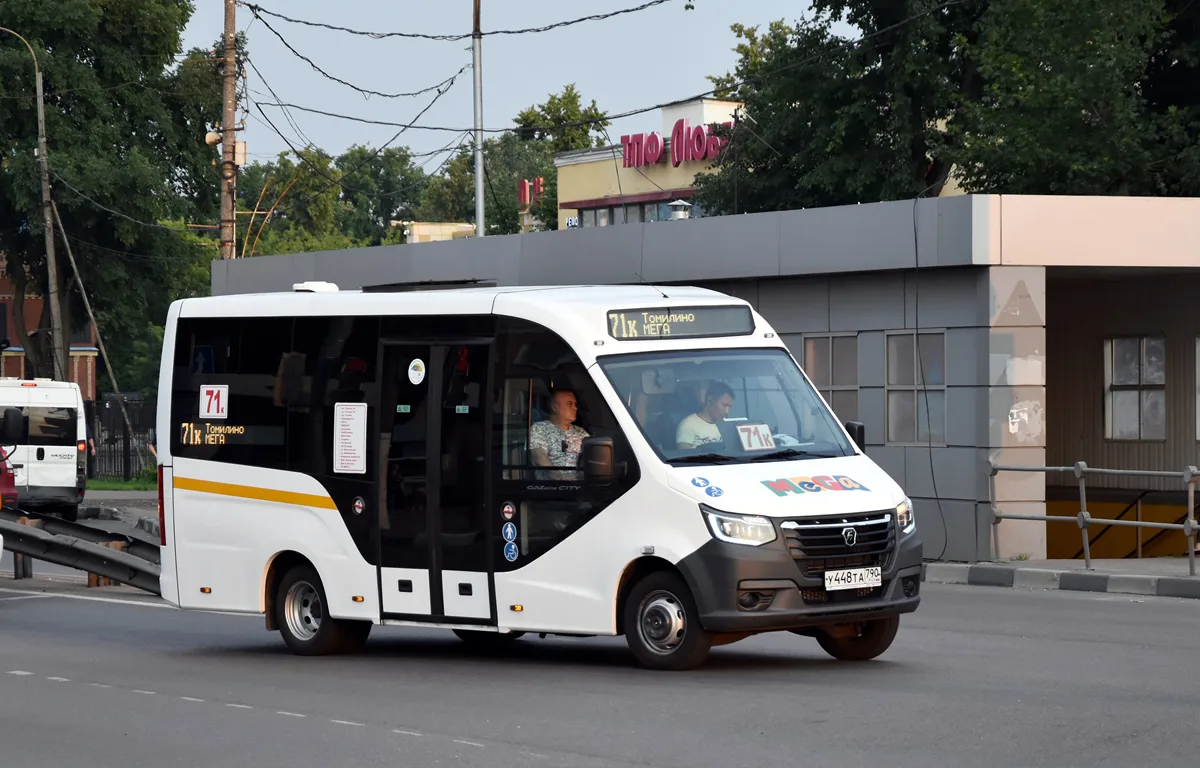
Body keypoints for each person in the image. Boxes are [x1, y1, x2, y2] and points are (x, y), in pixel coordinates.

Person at [530, 389, 589, 481]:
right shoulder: (540, 428)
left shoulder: (581, 432)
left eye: (575, 404)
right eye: (570, 404)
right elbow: (539, 456)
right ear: (555, 407)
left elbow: (593, 456)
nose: (575, 408)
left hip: (579, 487)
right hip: (551, 489)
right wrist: (560, 478)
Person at [676, 381, 735, 450]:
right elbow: (683, 457)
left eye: (729, 407)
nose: (726, 411)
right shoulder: (688, 425)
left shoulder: (726, 426)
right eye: (724, 405)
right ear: (710, 400)